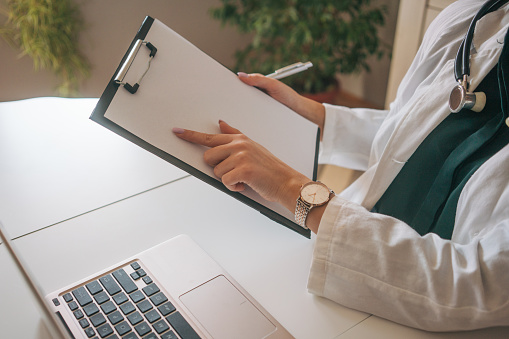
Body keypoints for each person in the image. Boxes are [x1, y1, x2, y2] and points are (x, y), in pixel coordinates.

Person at [172, 0, 509, 332]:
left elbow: (479, 287)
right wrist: (311, 118)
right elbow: (411, 132)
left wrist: (295, 191)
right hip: (345, 264)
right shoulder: (472, 17)